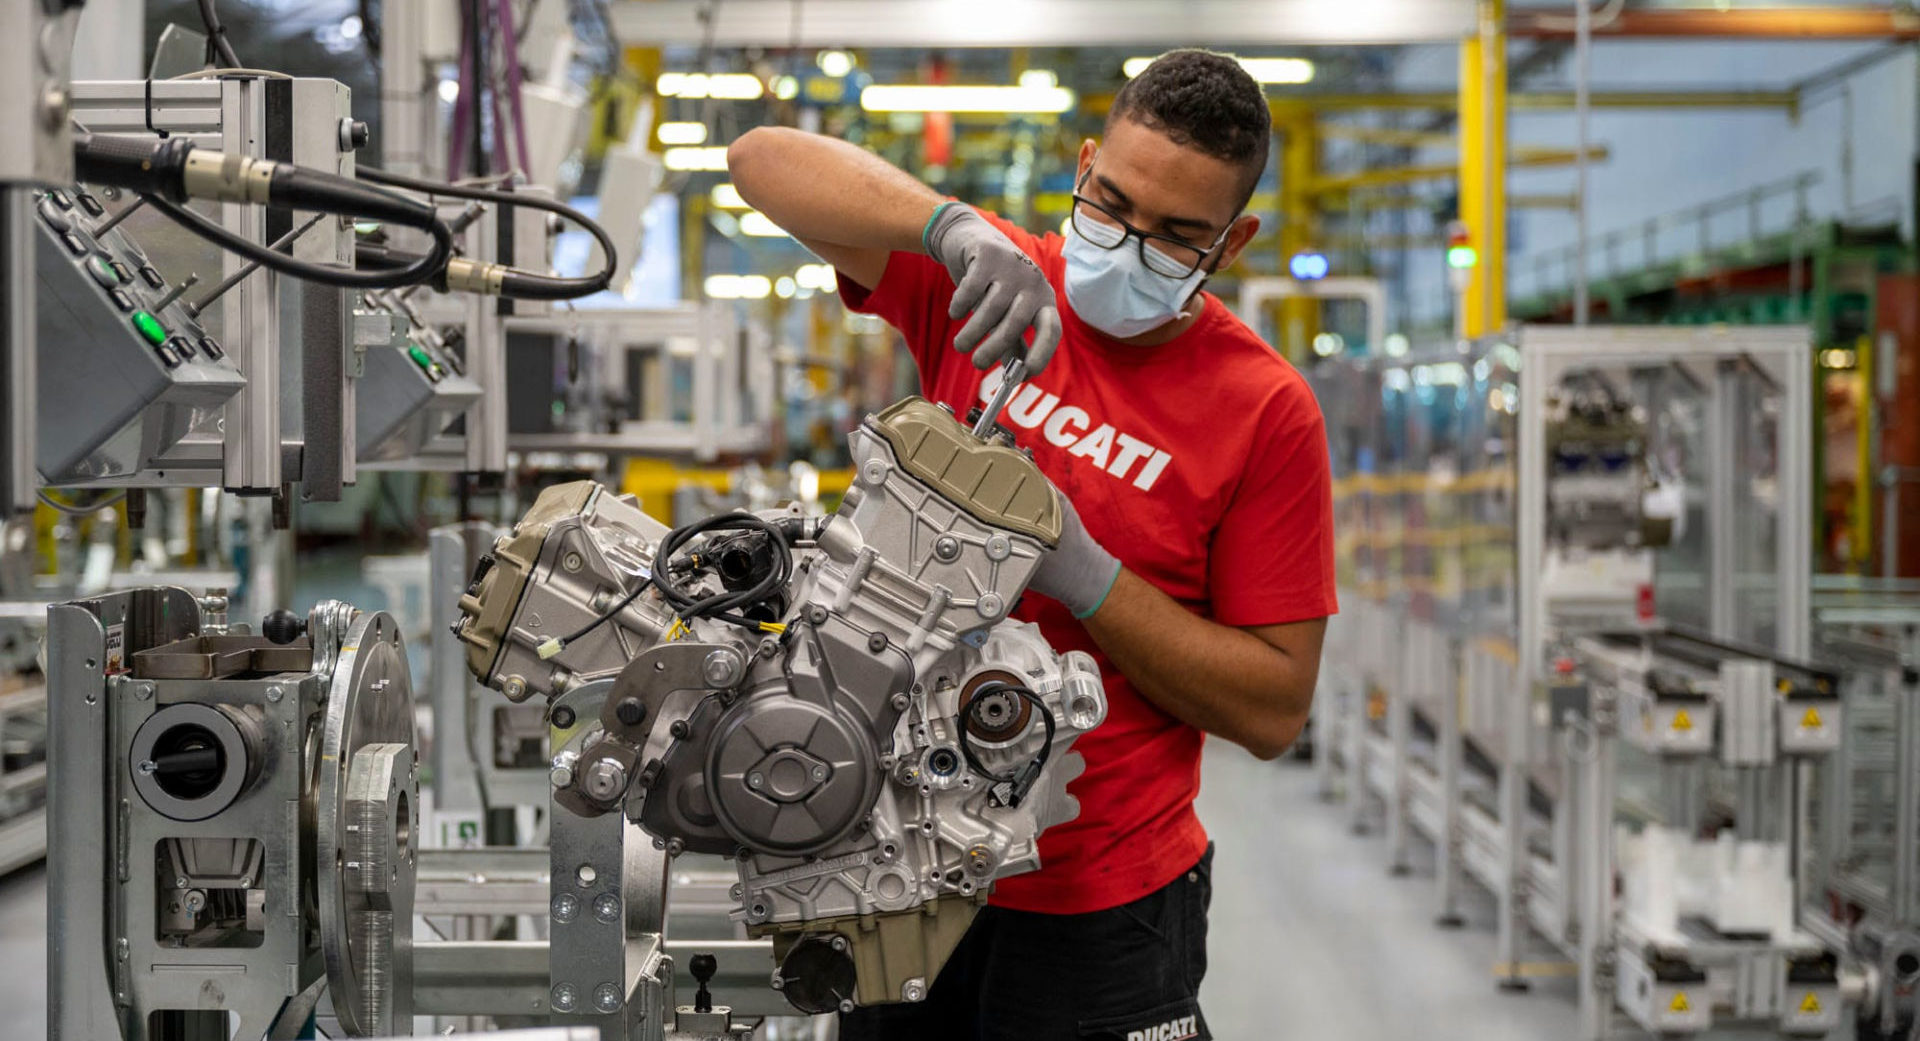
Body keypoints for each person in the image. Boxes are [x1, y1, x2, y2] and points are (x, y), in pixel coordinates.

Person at [727, 48, 1336, 1041]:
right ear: (1085, 166)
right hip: (897, 861)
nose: (1132, 245)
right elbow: (758, 159)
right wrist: (949, 226)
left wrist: (1087, 575)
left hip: (1104, 905)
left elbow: (1273, 708)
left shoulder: (1265, 410)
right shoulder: (991, 287)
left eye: (1180, 235)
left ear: (1235, 240)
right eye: (1113, 205)